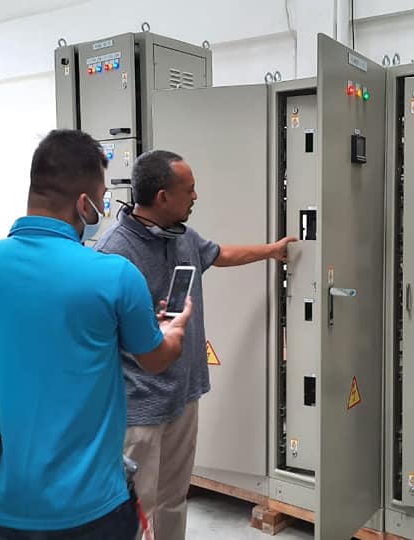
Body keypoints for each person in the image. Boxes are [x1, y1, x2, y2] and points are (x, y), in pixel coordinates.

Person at [0, 130, 193, 540]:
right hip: (93, 506)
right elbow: (155, 358)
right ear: (84, 203)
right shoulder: (113, 275)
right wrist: (175, 330)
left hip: (8, 504)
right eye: (102, 200)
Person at [95, 150, 296, 539]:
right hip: (138, 408)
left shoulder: (183, 236)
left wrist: (271, 251)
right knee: (136, 508)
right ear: (162, 197)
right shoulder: (113, 253)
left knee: (173, 499)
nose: (195, 197)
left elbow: (219, 254)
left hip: (183, 395)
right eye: (189, 190)